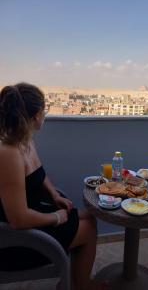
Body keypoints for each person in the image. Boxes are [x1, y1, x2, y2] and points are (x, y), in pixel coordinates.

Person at [0, 83, 107, 290]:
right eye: (43, 110)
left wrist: (53, 195)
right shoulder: (8, 153)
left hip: (34, 215)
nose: (45, 115)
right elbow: (18, 219)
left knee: (89, 217)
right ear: (33, 117)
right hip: (15, 240)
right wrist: (57, 217)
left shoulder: (25, 140)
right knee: (88, 229)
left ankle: (75, 281)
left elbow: (40, 174)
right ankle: (82, 285)